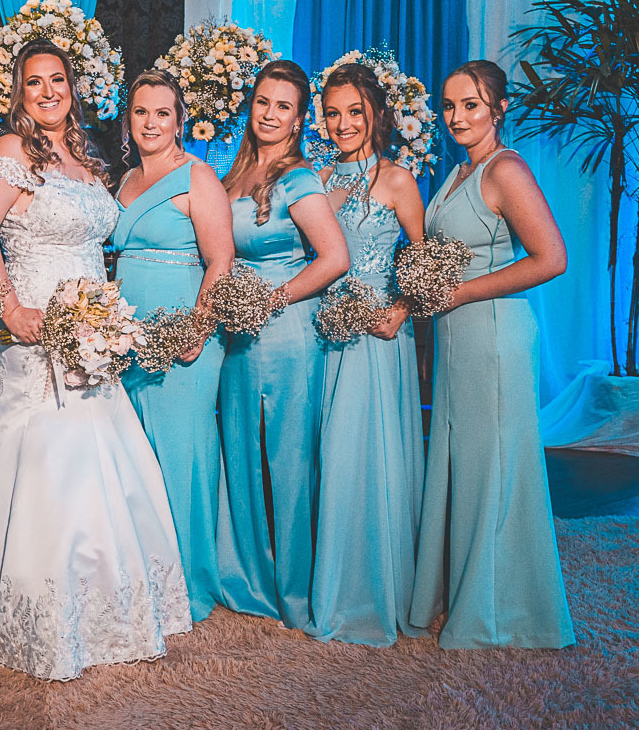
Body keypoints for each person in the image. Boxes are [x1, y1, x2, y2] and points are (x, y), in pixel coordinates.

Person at [0, 39, 191, 680]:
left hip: (96, 330)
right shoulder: (9, 153)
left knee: (104, 457)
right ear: (19, 92)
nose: (48, 92)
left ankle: (111, 601)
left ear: (72, 85)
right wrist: (9, 308)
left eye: (57, 80)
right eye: (34, 83)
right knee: (53, 461)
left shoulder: (87, 156)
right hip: (40, 328)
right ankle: (48, 612)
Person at [410, 60, 574, 649]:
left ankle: (500, 607)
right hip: (459, 333)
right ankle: (464, 591)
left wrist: (458, 291)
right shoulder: (460, 173)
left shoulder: (505, 170)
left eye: (471, 105)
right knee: (466, 462)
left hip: (494, 332)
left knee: (496, 463)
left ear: (498, 110)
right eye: (449, 106)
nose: (457, 116)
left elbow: (550, 258)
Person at [217, 60, 350, 627]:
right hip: (238, 336)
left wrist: (271, 299)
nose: (270, 115)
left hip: (287, 334)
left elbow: (335, 258)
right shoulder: (234, 174)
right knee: (243, 453)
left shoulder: (298, 178)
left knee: (288, 464)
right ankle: (252, 579)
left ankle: (296, 590)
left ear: (298, 121)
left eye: (284, 107)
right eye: (263, 102)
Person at [307, 63, 426, 646]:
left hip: (378, 337)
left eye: (354, 111)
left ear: (376, 114)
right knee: (330, 453)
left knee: (368, 454)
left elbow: (423, 265)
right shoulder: (319, 178)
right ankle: (333, 580)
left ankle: (374, 589)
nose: (343, 123)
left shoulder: (399, 180)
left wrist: (401, 308)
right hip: (324, 333)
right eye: (332, 113)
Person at [111, 69, 234, 622]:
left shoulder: (198, 176)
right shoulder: (123, 181)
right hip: (129, 337)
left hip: (185, 335)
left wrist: (197, 330)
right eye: (141, 112)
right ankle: (147, 576)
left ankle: (188, 580)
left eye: (163, 112)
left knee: (180, 454)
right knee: (140, 459)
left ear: (179, 120)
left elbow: (222, 260)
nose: (151, 122)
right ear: (128, 120)